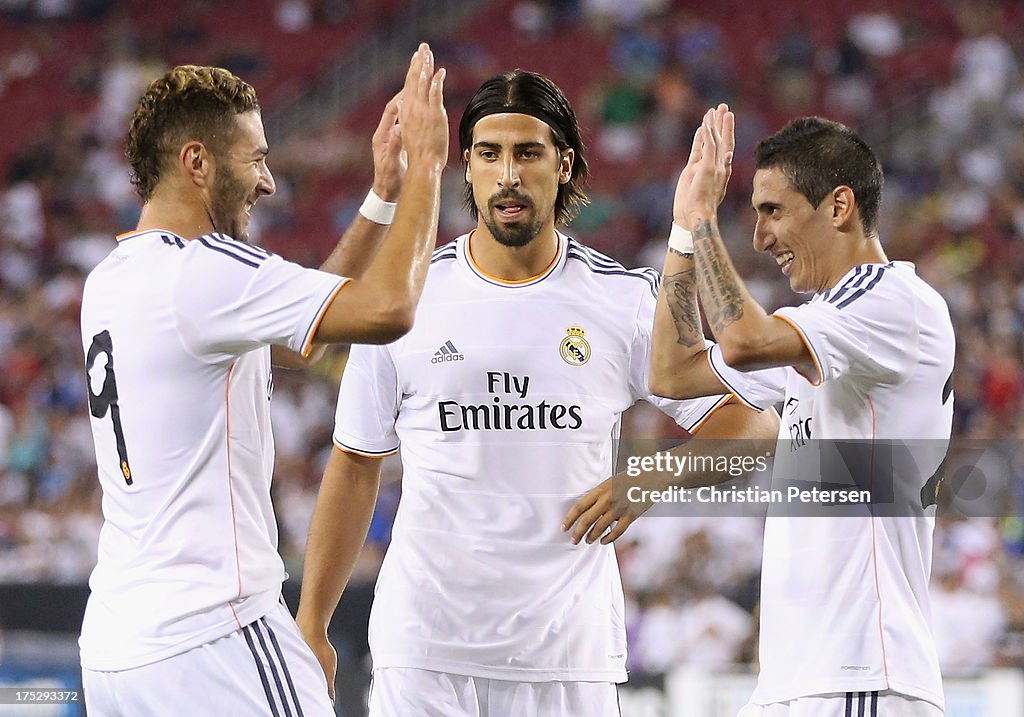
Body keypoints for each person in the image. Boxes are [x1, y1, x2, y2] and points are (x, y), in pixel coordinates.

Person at [296, 70, 777, 716]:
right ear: (465, 168)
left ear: (565, 164)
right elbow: (355, 463)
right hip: (426, 646)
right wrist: (312, 622)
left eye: (528, 153)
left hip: (566, 655)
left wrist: (653, 474)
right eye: (489, 155)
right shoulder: (404, 298)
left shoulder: (623, 301)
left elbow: (754, 426)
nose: (509, 175)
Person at [79, 45, 448, 716]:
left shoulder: (112, 278)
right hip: (215, 638)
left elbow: (298, 345)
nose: (268, 182)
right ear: (197, 162)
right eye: (254, 158)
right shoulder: (204, 272)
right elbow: (390, 308)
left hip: (119, 645)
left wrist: (383, 197)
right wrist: (427, 167)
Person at [643, 107, 952, 715]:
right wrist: (684, 232)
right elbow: (673, 373)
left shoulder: (889, 301)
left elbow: (742, 342)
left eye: (772, 211)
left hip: (860, 669)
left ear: (839, 207)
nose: (759, 238)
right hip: (800, 675)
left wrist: (705, 220)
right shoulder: (824, 329)